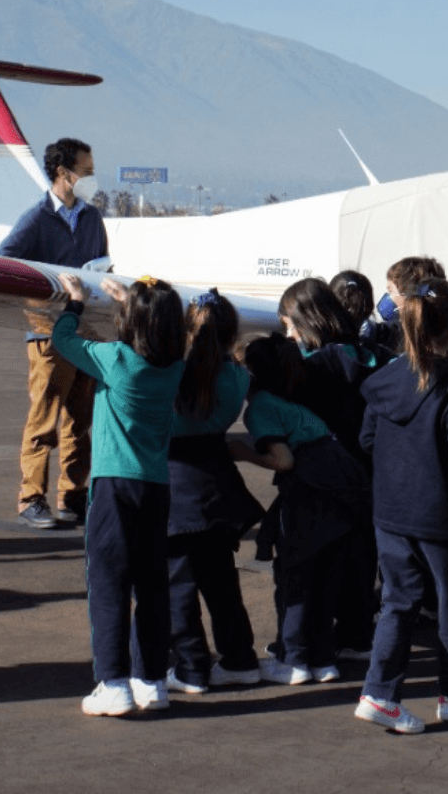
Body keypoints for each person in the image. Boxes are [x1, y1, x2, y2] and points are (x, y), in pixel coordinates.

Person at [355, 278, 448, 734]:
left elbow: (367, 440)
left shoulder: (382, 381)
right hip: (441, 516)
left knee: (397, 602)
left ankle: (379, 693)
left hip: (390, 512)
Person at [52, 273, 186, 717]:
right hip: (156, 487)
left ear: (131, 324)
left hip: (113, 486)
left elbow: (63, 339)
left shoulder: (114, 359)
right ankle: (150, 680)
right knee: (151, 585)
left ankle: (113, 682)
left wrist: (74, 302)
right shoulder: (176, 367)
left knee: (108, 583)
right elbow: (157, 332)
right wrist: (135, 302)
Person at [239, 333, 370, 686]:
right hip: (345, 489)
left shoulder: (262, 406)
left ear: (250, 372)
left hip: (311, 492)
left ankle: (293, 658)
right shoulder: (295, 405)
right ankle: (323, 659)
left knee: (295, 577)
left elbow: (283, 460)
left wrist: (241, 452)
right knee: (326, 579)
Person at [0, 137, 108, 529]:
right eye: (88, 170)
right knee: (44, 420)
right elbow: (2, 262)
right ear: (64, 173)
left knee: (80, 420)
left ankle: (72, 496)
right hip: (47, 333)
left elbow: (102, 264)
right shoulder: (36, 218)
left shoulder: (92, 219)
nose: (92, 177)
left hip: (86, 333)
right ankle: (31, 498)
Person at [164, 290, 264, 695]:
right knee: (222, 584)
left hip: (175, 481)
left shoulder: (170, 375)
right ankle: (240, 658)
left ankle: (191, 667)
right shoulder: (238, 377)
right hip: (219, 483)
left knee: (178, 588)